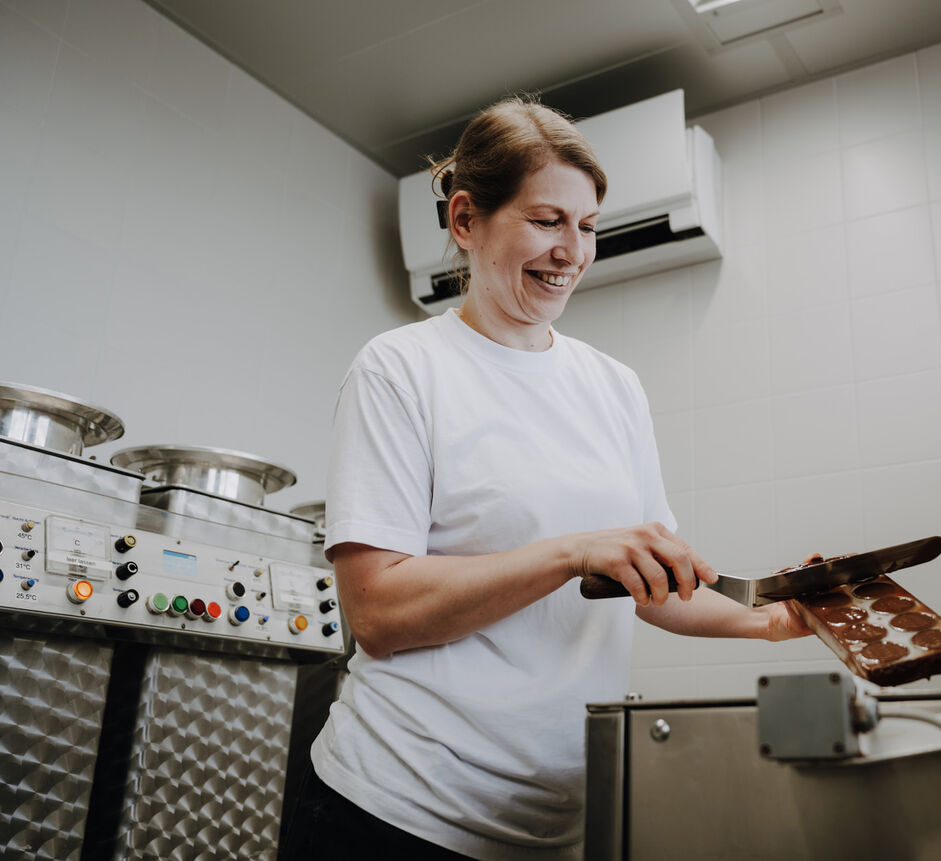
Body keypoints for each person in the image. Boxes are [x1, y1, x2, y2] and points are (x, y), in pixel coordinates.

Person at [284, 96, 810, 861]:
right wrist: (571, 553)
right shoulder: (400, 370)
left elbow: (650, 581)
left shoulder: (615, 386)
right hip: (396, 811)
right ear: (466, 221)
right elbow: (378, 610)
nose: (572, 249)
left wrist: (773, 612)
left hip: (553, 826)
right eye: (545, 220)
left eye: (587, 225)